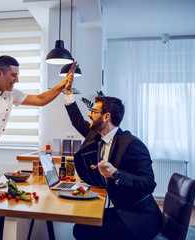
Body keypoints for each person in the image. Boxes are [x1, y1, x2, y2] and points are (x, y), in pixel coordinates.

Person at [0, 55, 77, 240]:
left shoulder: (11, 94)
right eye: (13, 75)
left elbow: (41, 99)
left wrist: (63, 84)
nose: (17, 80)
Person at [64, 79, 162, 239]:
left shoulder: (132, 144)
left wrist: (116, 174)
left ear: (106, 116)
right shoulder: (97, 136)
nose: (89, 114)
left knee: (83, 231)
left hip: (139, 218)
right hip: (123, 210)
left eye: (94, 111)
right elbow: (77, 121)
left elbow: (149, 184)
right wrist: (68, 92)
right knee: (80, 226)